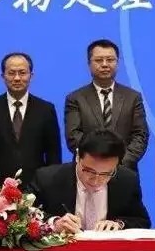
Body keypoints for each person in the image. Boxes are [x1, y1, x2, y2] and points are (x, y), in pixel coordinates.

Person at [27, 129, 152, 233]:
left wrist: (119, 224)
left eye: (106, 174)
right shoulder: (47, 178)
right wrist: (54, 223)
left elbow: (142, 221)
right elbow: (25, 213)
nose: (96, 180)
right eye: (89, 171)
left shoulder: (127, 180)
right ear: (77, 157)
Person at [0, 52, 61, 187]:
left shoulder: (46, 109)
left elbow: (53, 154)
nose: (17, 78)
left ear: (31, 75)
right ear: (3, 76)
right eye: (11, 73)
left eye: (22, 73)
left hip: (36, 186)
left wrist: (53, 185)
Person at [63, 39, 148, 173]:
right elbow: (73, 136)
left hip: (124, 171)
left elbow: (140, 135)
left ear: (117, 63)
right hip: (87, 172)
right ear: (89, 64)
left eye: (110, 60)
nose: (104, 64)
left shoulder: (133, 97)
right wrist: (97, 162)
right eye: (98, 60)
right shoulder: (75, 98)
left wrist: (118, 163)